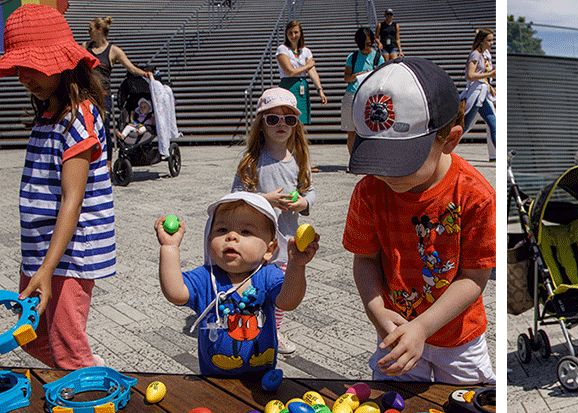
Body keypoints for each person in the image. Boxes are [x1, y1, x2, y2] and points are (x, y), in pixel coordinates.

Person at [343, 57, 495, 384]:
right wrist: (378, 311)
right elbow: (365, 260)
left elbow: (474, 277)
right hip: (396, 332)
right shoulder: (370, 191)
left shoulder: (475, 196)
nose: (386, 173)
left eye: (400, 162)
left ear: (450, 140)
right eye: (376, 160)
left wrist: (423, 327)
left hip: (458, 342)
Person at [0, 5, 116, 369]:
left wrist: (47, 270)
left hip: (69, 253)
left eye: (31, 67)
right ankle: (86, 367)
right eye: (18, 68)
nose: (23, 77)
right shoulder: (49, 112)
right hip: (41, 248)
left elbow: (73, 198)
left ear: (62, 63)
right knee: (32, 335)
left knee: (65, 344)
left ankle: (86, 378)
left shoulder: (77, 116)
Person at [155, 192, 319, 376]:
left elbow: (288, 302)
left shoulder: (267, 276)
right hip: (214, 380)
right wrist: (169, 248)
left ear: (269, 249)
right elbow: (175, 293)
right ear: (209, 242)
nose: (232, 236)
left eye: (246, 232)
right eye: (222, 230)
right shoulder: (206, 278)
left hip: (261, 379)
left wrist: (297, 265)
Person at [232, 88, 316, 355]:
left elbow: (310, 191)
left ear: (296, 126)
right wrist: (264, 199)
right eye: (273, 119)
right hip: (256, 241)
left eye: (289, 119)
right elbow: (234, 197)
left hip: (287, 241)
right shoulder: (252, 162)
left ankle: (274, 330)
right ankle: (250, 325)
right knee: (254, 287)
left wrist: (303, 203)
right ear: (261, 124)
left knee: (280, 290)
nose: (281, 124)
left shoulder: (298, 161)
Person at [83, 16, 152, 162]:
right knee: (86, 127)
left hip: (103, 96)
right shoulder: (84, 47)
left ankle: (107, 162)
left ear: (100, 30)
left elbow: (130, 67)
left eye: (91, 29)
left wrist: (145, 73)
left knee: (104, 126)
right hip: (86, 95)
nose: (88, 31)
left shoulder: (113, 51)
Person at [276, 20, 327, 126]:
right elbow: (290, 71)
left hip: (302, 88)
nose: (293, 35)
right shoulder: (282, 49)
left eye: (296, 32)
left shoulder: (306, 51)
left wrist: (320, 91)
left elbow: (312, 72)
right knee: (289, 120)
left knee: (301, 122)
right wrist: (308, 66)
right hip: (288, 87)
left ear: (300, 33)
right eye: (290, 33)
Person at [343, 27, 385, 154]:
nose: (368, 47)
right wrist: (357, 75)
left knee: (371, 129)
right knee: (351, 131)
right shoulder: (353, 57)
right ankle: (352, 160)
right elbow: (346, 78)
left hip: (370, 97)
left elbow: (383, 77)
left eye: (370, 43)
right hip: (352, 94)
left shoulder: (378, 57)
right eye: (365, 44)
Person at [459, 28, 497, 162]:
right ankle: (442, 150)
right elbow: (470, 76)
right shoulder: (475, 55)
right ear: (482, 41)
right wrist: (490, 75)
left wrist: (489, 85)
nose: (492, 43)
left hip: (483, 94)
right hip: (475, 94)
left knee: (494, 124)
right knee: (463, 126)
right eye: (489, 40)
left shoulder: (483, 54)